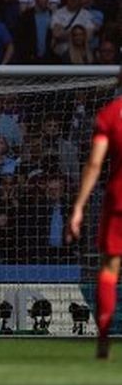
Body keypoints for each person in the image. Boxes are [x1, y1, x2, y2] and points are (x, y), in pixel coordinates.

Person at [67, 93, 122, 360]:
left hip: (118, 199)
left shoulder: (111, 113)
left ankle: (103, 338)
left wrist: (78, 206)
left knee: (110, 269)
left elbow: (95, 163)